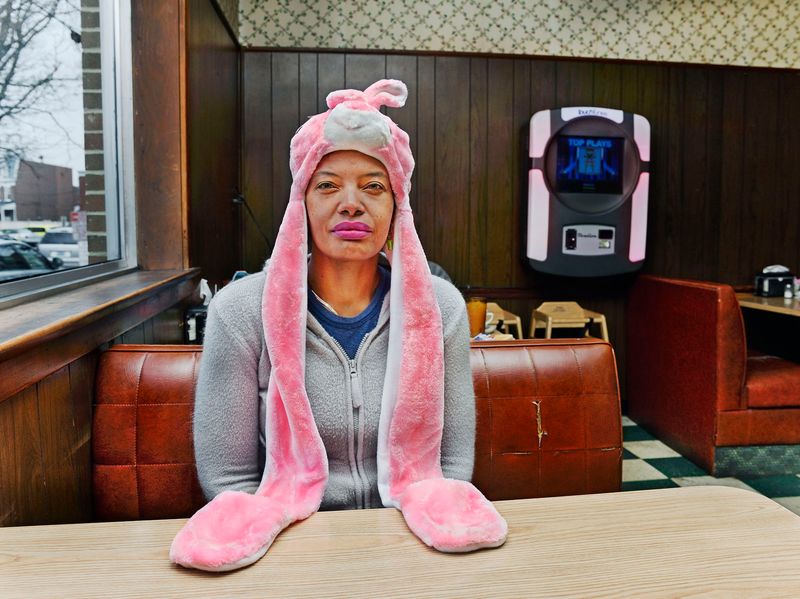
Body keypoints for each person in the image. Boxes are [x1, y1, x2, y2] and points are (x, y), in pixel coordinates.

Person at [171, 80, 506, 572]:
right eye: (327, 185)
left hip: (415, 547)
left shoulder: (442, 309)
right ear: (301, 202)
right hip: (291, 550)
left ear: (397, 205)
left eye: (373, 186)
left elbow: (452, 470)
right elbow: (229, 480)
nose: (351, 203)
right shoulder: (240, 312)